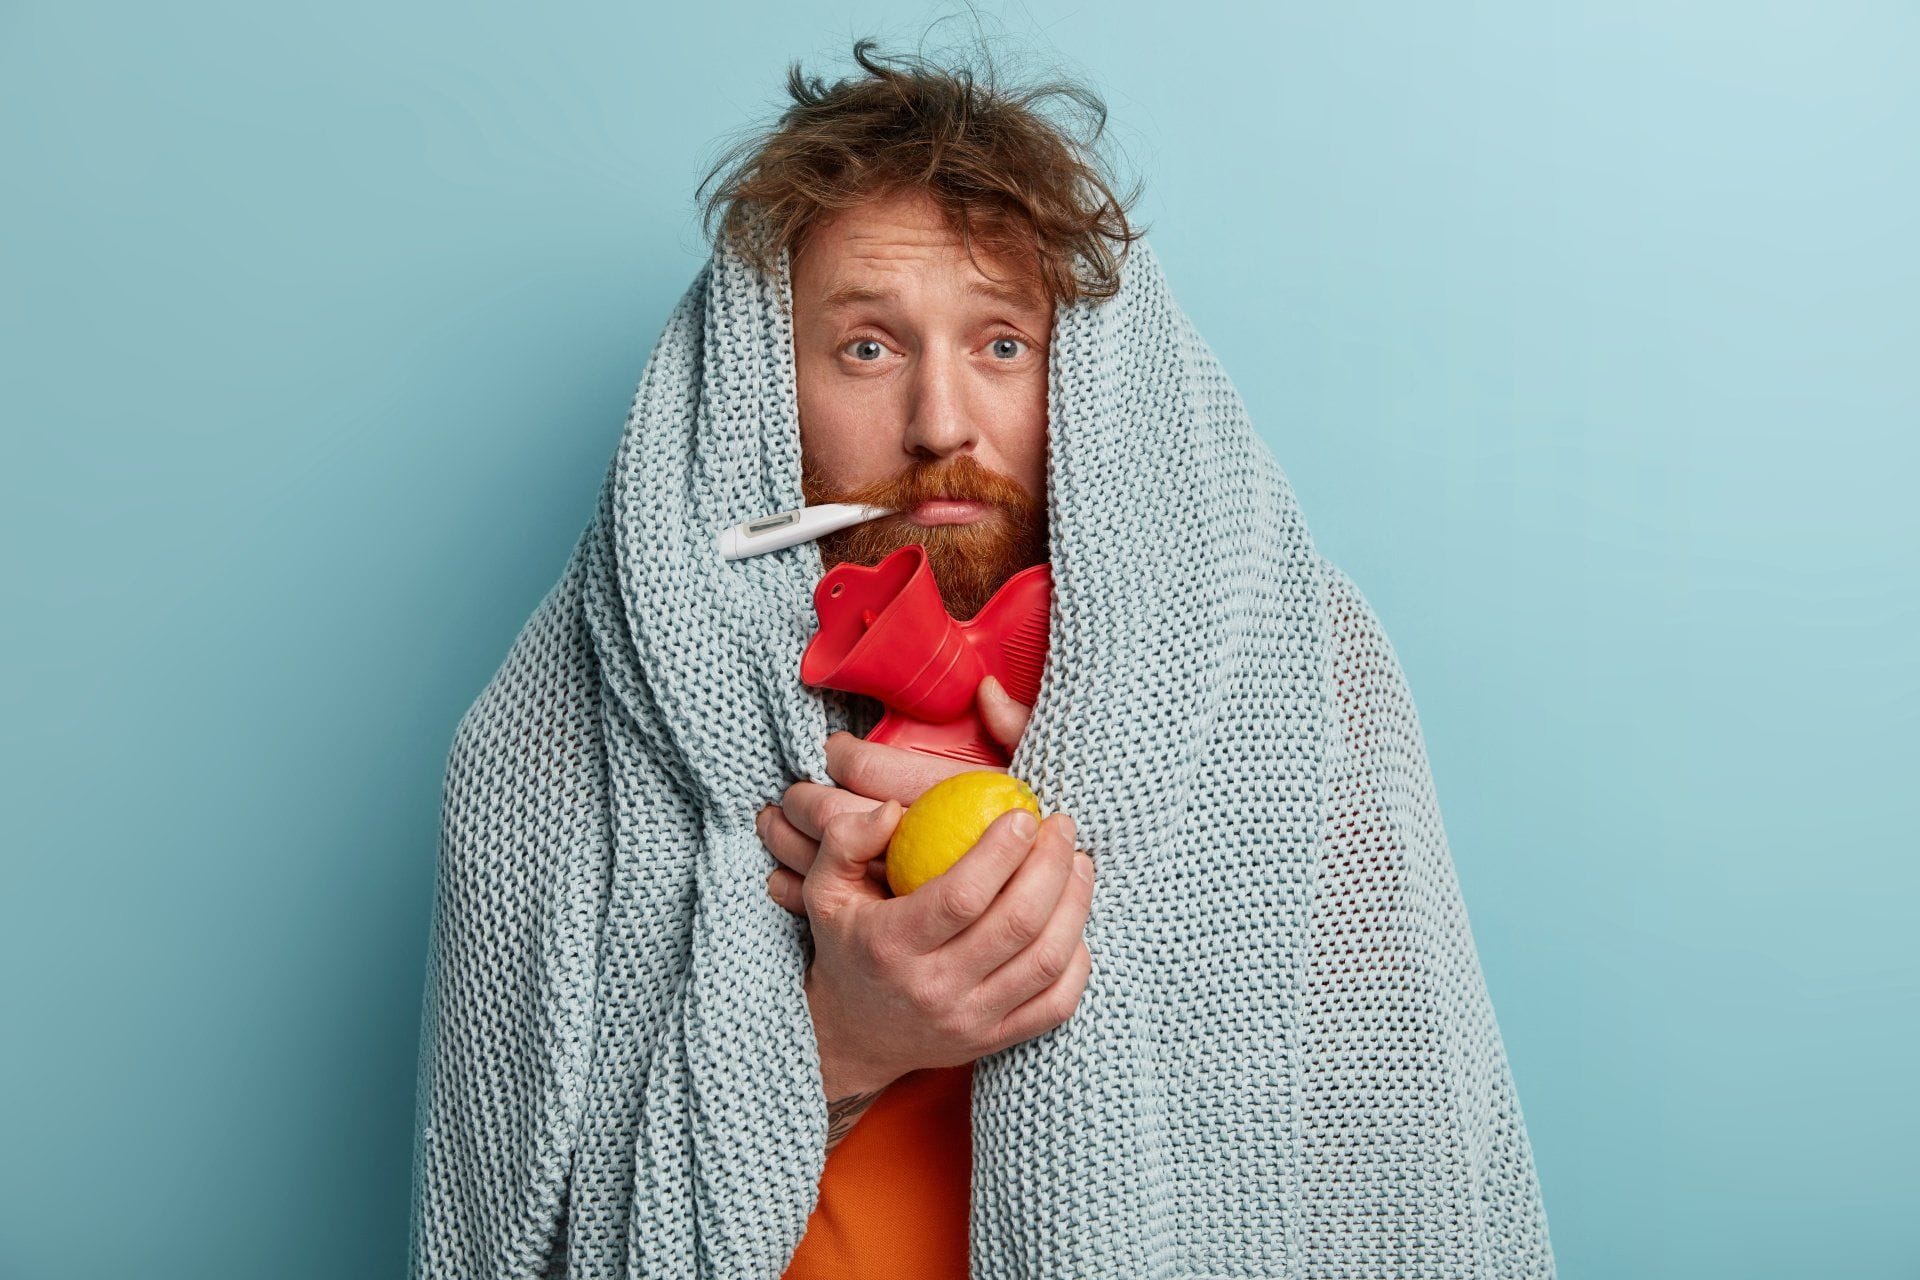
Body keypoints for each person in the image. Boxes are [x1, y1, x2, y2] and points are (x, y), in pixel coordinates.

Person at [408, 31, 1556, 1280]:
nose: (941, 421)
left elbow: (1393, 1160)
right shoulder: (555, 724)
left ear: (1092, 381)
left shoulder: (1291, 678)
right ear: (757, 389)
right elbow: (526, 1237)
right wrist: (841, 1040)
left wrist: (1092, 844)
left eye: (1004, 343)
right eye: (868, 346)